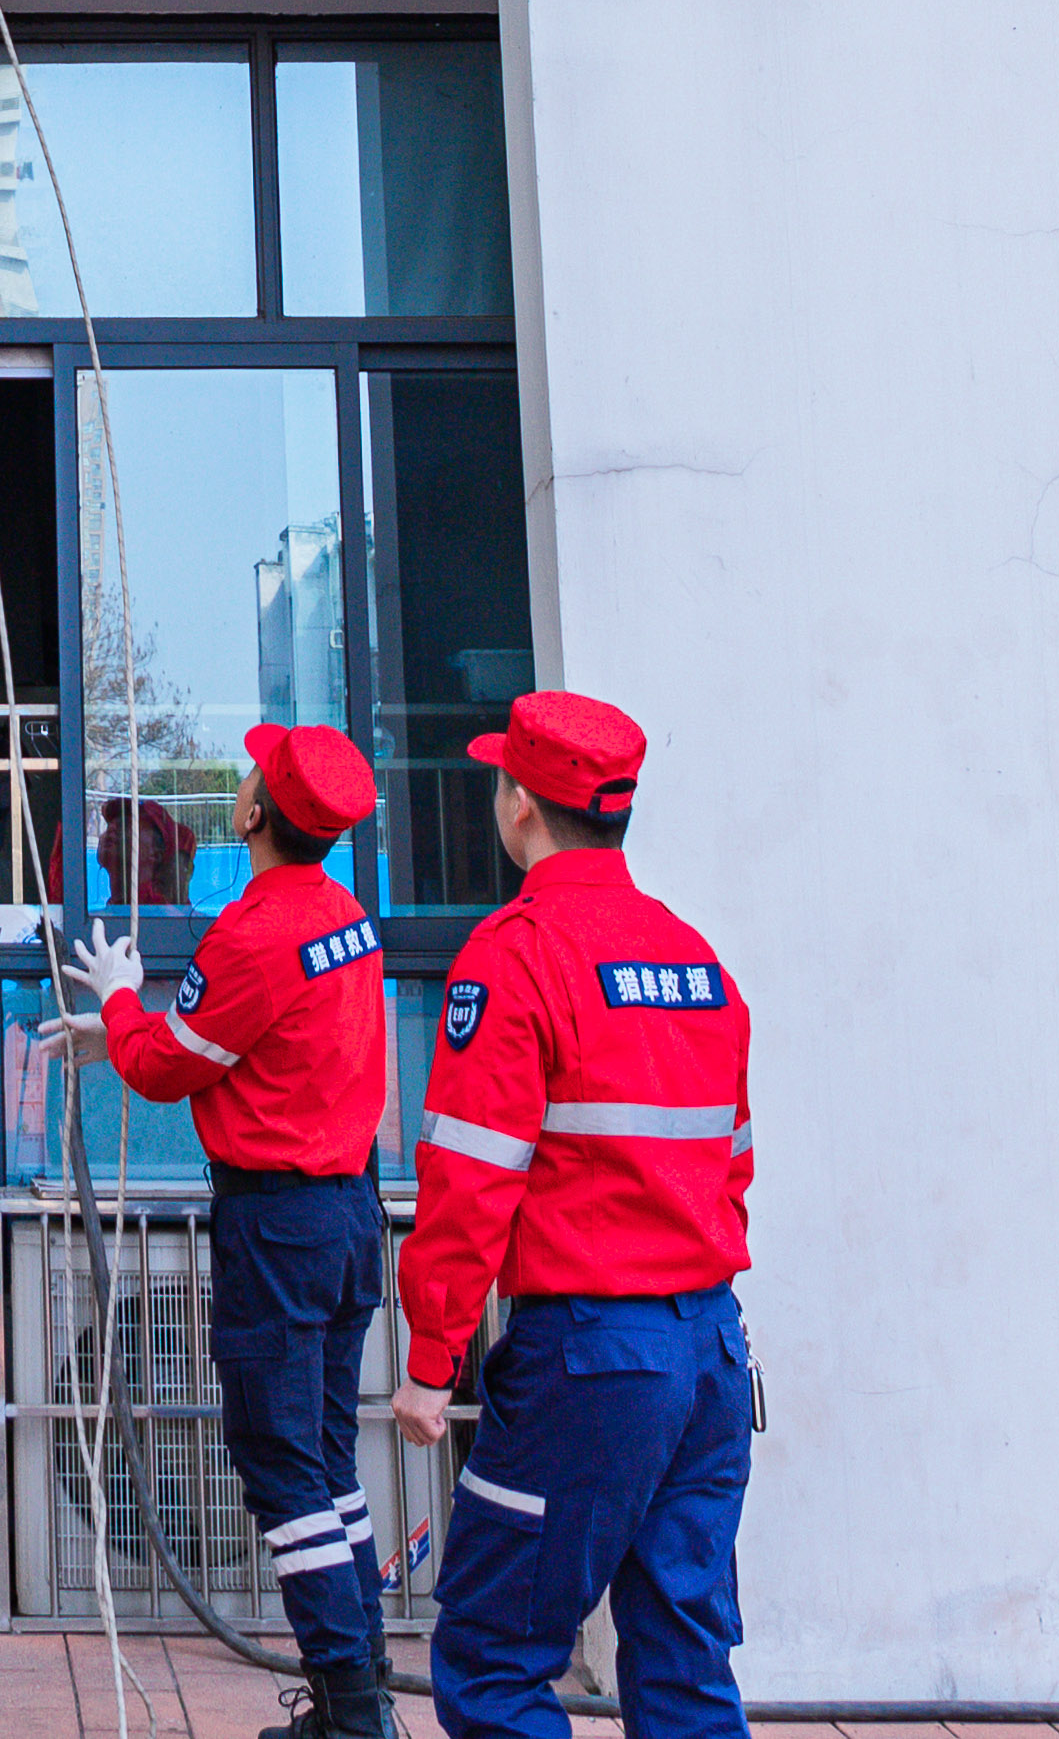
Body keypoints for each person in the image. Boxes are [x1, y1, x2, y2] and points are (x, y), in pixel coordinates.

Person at [390, 692, 756, 1739]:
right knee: (684, 1653)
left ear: (518, 805)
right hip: (708, 1354)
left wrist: (430, 1359)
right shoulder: (695, 963)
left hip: (592, 1360)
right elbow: (731, 1165)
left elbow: (469, 1181)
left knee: (493, 1657)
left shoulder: (516, 955)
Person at [53, 724, 395, 1739]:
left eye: (250, 775)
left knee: (278, 1461)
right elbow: (245, 1044)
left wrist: (118, 1002)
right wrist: (123, 1030)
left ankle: (349, 1708)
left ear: (252, 814)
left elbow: (167, 1070)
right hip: (344, 1216)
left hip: (278, 1226)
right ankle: (362, 1675)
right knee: (327, 1461)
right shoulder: (347, 918)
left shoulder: (251, 931)